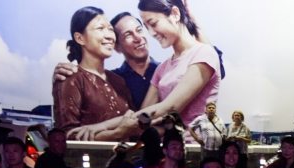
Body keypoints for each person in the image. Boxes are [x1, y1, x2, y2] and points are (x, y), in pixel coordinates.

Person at [70, 0, 220, 140]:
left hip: (199, 152)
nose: (151, 33)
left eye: (153, 24)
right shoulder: (162, 68)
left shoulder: (204, 53)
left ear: (175, 14)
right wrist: (100, 128)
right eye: (147, 27)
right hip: (168, 152)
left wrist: (105, 129)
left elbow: (170, 107)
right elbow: (142, 114)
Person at [53, 7, 131, 137]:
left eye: (110, 29)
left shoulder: (118, 81)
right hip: (90, 157)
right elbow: (69, 136)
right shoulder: (71, 78)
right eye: (100, 28)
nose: (109, 36)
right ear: (80, 38)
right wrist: (117, 133)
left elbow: (132, 122)